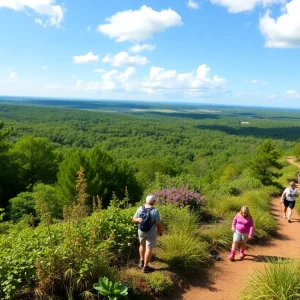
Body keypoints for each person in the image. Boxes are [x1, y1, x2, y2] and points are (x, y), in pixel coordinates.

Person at [132, 195, 163, 273]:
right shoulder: (155, 211)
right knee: (149, 248)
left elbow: (133, 219)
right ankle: (146, 267)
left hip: (141, 231)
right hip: (150, 232)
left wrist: (138, 219)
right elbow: (158, 223)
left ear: (146, 201)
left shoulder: (140, 208)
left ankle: (141, 261)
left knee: (142, 245)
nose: (155, 202)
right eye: (154, 201)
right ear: (152, 201)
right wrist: (160, 231)